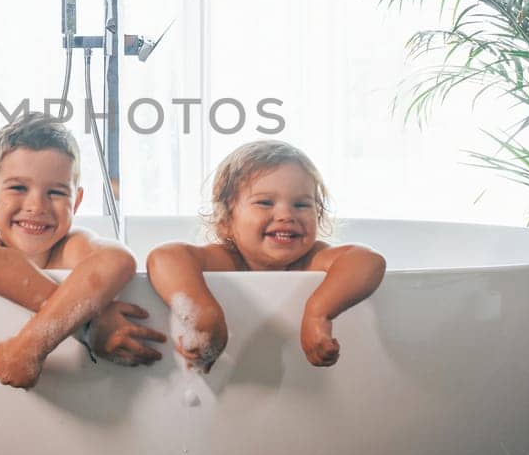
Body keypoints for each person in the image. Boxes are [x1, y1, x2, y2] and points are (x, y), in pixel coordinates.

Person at [0, 111, 166, 388]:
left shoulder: (71, 246)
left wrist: (31, 344)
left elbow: (119, 259)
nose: (36, 206)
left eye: (56, 193)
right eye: (18, 187)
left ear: (75, 201)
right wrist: (87, 326)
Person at [146, 140, 385, 372]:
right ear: (226, 220)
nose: (286, 215)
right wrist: (204, 317)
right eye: (264, 202)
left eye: (301, 205)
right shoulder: (228, 259)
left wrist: (319, 312)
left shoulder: (312, 260)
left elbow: (367, 261)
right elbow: (165, 257)